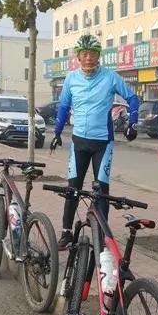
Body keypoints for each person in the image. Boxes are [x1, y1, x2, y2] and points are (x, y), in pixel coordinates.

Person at [51, 33, 140, 250]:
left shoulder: (110, 77)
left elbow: (133, 97)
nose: (89, 57)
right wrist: (57, 132)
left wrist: (133, 123)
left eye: (93, 53)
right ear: (78, 57)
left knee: (101, 190)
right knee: (73, 188)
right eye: (84, 54)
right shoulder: (71, 78)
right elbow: (63, 107)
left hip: (103, 143)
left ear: (99, 56)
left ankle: (102, 236)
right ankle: (66, 233)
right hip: (79, 142)